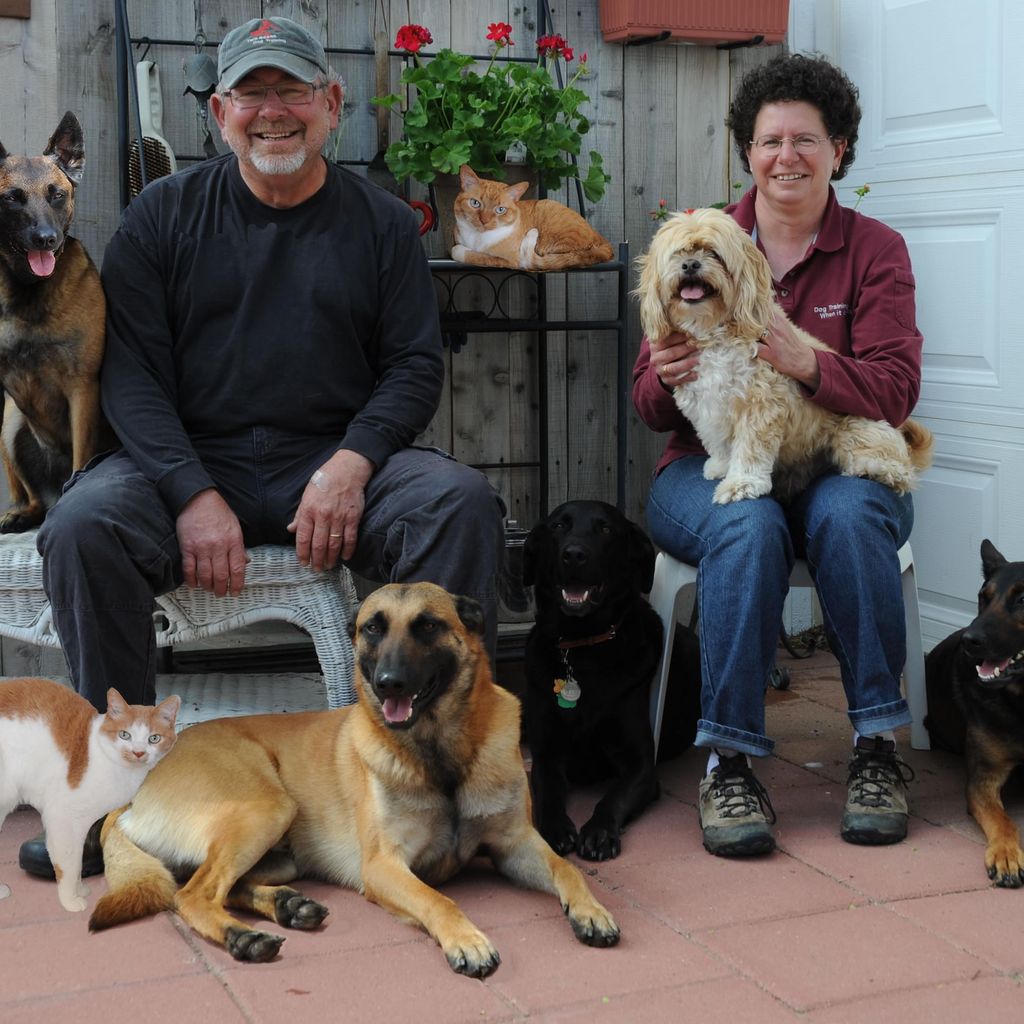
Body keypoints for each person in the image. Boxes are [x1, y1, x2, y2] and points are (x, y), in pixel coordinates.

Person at [19, 16, 505, 878]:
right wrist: (188, 490)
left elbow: (412, 368)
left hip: (333, 460)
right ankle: (116, 796)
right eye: (251, 93)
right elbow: (128, 376)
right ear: (218, 111)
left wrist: (353, 463)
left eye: (291, 91)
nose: (271, 111)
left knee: (458, 500)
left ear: (333, 103)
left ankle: (443, 778)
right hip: (189, 457)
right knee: (84, 521)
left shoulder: (385, 226)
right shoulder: (161, 217)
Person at [633, 53, 922, 857]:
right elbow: (650, 407)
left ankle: (875, 747)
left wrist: (810, 363)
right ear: (747, 151)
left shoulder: (875, 251)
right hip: (704, 470)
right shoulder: (697, 243)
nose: (786, 156)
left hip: (834, 459)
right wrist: (662, 374)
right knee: (748, 526)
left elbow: (896, 391)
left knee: (854, 513)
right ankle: (728, 759)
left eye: (807, 139)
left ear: (841, 149)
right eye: (769, 140)